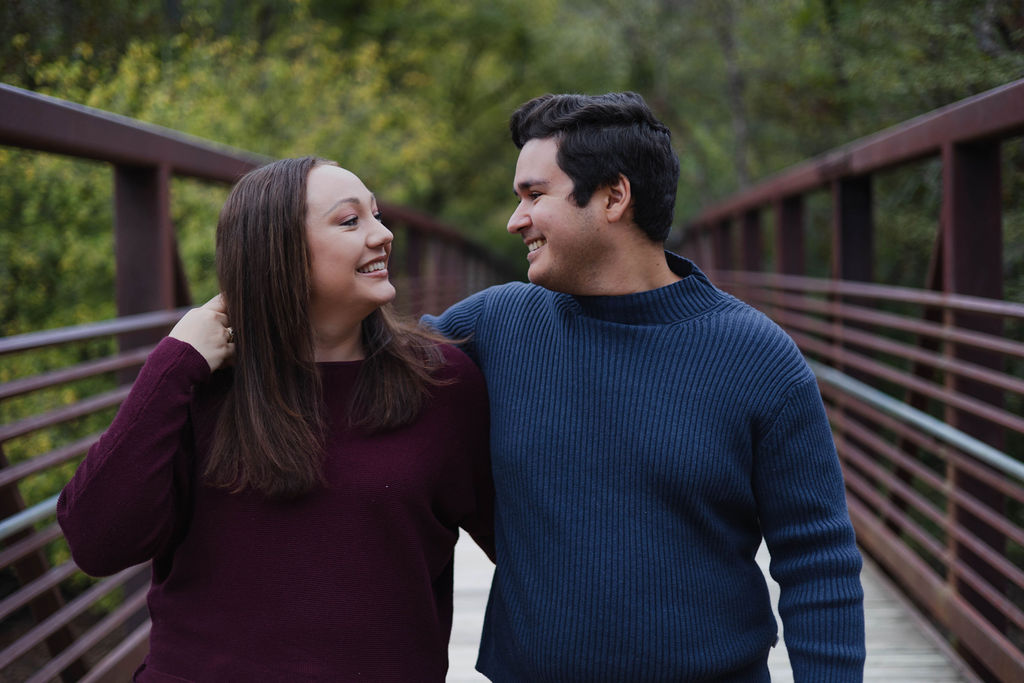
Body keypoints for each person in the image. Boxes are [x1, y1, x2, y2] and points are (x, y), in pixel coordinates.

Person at [423, 92, 865, 681]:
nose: (515, 219)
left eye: (534, 195)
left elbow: (818, 559)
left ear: (613, 196)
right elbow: (366, 381)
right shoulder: (492, 326)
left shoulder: (756, 356)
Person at [58, 156, 494, 682]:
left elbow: (530, 545)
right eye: (350, 221)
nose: (383, 235)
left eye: (377, 216)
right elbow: (98, 543)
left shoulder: (442, 382)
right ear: (278, 252)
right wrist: (171, 365)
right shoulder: (200, 384)